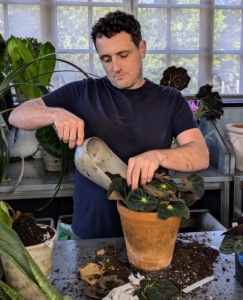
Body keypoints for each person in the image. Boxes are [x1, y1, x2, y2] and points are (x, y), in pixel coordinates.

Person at [9, 10, 209, 239]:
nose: (115, 67)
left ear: (142, 49)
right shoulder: (83, 92)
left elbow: (200, 155)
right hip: (90, 232)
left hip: (148, 229)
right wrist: (56, 114)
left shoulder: (170, 99)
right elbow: (18, 114)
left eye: (123, 55)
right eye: (106, 58)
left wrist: (158, 156)